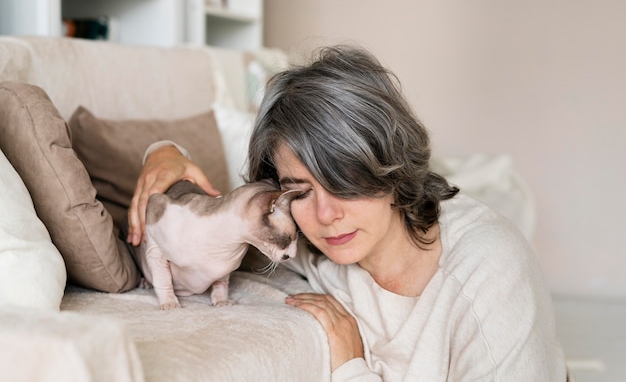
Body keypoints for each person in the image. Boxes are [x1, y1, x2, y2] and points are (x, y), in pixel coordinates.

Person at [127, 45, 567, 380]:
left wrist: (352, 368)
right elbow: (217, 200)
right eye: (298, 191)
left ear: (391, 164)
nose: (325, 214)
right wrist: (163, 153)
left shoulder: (488, 274)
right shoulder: (301, 241)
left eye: (344, 181)